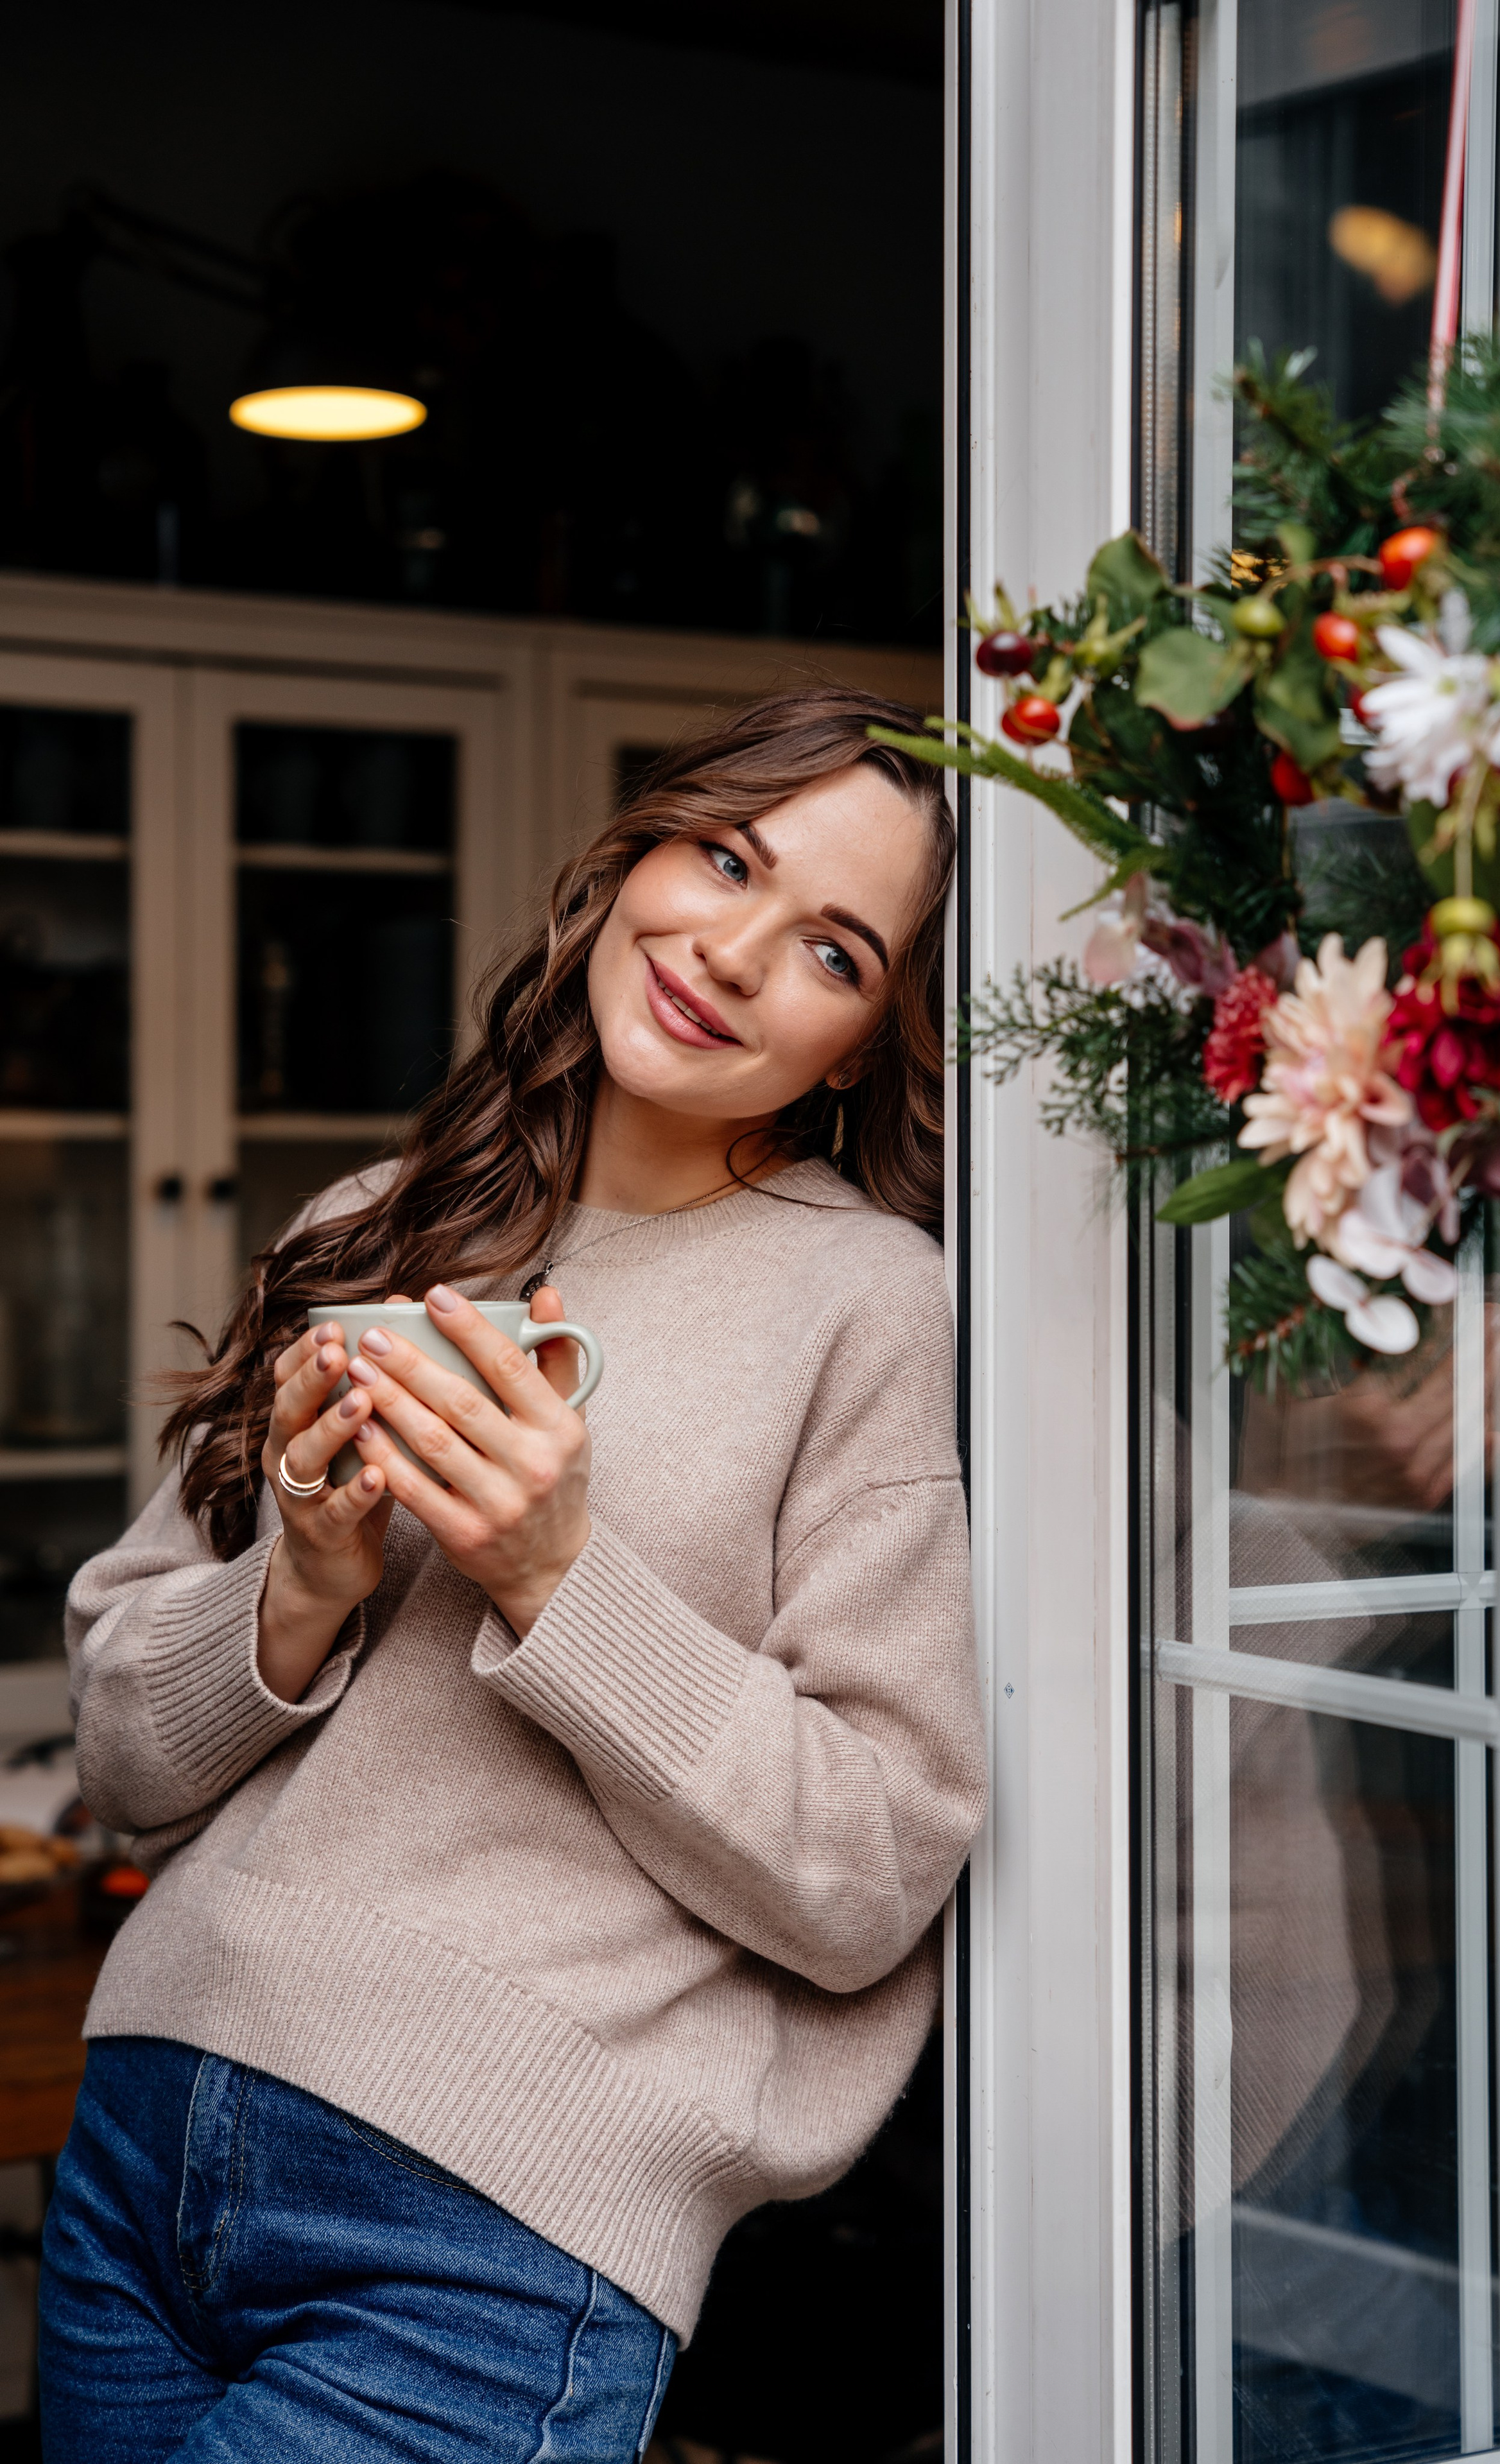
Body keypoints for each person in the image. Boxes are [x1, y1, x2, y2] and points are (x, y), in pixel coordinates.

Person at [41, 688, 987, 2463]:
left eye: (835, 951)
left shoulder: (868, 1303)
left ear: (865, 1045)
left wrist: (558, 1573)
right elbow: (118, 1761)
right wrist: (303, 1583)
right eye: (725, 859)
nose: (729, 950)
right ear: (634, 853)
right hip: (141, 2151)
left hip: (477, 2228)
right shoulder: (363, 1228)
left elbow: (867, 1865)